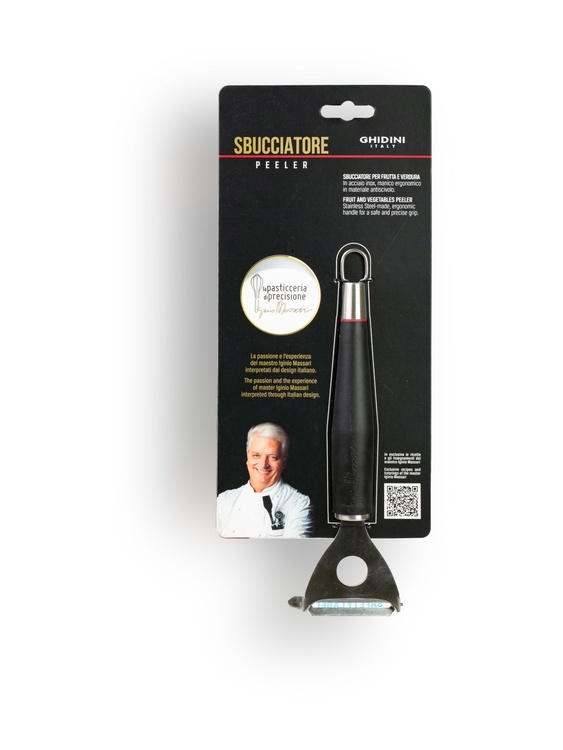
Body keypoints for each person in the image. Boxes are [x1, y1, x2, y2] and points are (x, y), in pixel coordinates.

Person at [217, 422, 315, 538]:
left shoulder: (298, 503)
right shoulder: (224, 500)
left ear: (284, 462)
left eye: (273, 457)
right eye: (256, 455)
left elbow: (294, 548)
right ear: (248, 457)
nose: (263, 464)